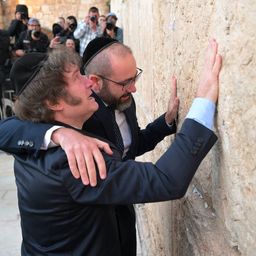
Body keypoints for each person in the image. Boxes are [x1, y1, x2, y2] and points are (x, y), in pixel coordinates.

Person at [0, 38, 222, 255]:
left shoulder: (41, 139)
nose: (88, 82)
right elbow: (166, 180)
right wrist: (203, 101)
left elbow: (130, 145)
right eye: (78, 77)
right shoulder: (74, 161)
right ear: (54, 103)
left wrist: (56, 133)